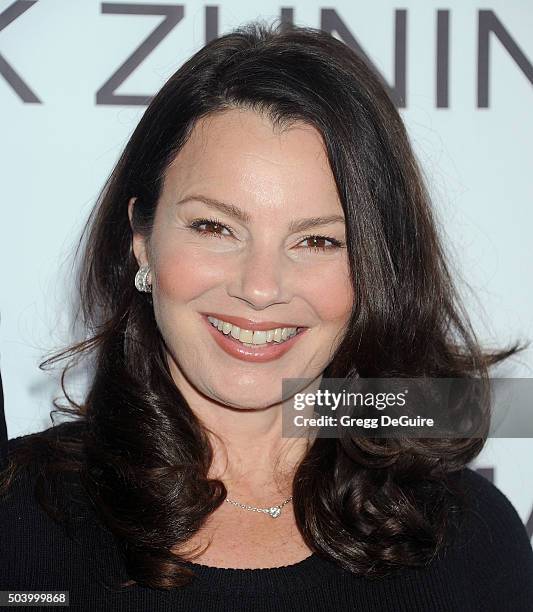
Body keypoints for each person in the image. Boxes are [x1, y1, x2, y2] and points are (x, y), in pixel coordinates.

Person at [1, 19, 532, 612]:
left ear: (376, 271)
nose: (260, 289)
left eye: (318, 242)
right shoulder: (18, 518)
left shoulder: (468, 537)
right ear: (142, 239)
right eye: (215, 227)